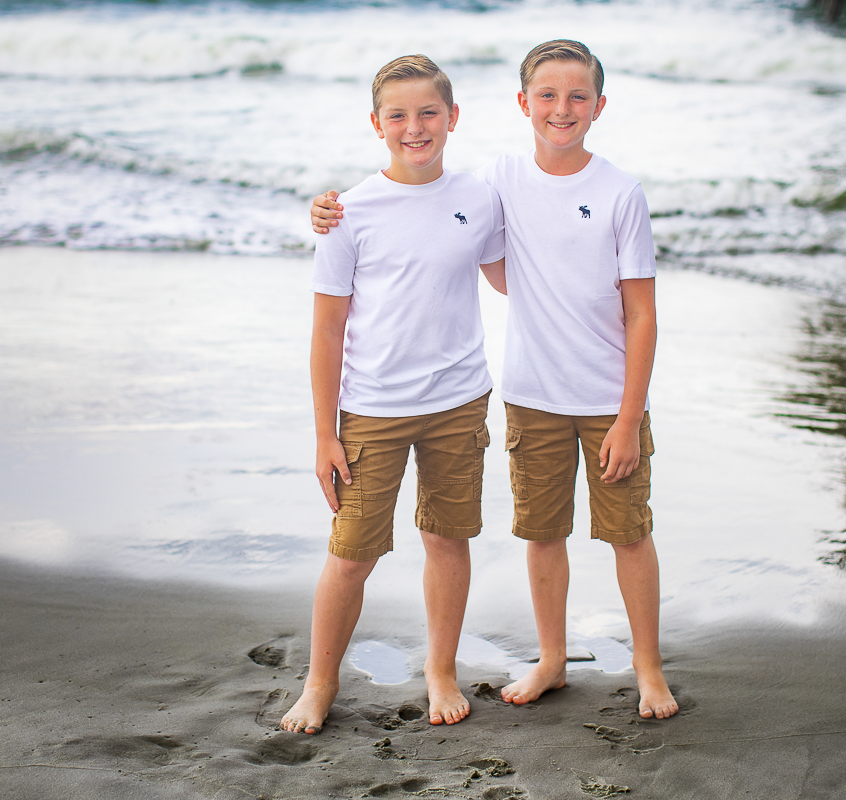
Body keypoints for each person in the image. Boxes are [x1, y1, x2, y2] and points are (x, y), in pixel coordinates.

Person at [310, 40, 678, 720]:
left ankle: (649, 671)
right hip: (522, 394)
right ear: (521, 104)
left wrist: (630, 415)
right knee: (538, 534)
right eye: (546, 95)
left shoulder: (606, 192)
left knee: (627, 533)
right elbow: (412, 225)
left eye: (576, 97)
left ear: (599, 106)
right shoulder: (490, 182)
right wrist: (327, 210)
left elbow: (637, 312)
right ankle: (548, 657)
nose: (560, 110)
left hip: (587, 397)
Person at [281, 54, 505, 735]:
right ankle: (320, 682)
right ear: (377, 125)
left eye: (429, 112)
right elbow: (326, 331)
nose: (416, 127)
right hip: (372, 407)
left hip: (460, 398)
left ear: (453, 118)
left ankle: (441, 668)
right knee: (352, 553)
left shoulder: (480, 195)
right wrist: (325, 434)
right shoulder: (347, 212)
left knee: (447, 538)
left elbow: (510, 278)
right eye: (399, 115)